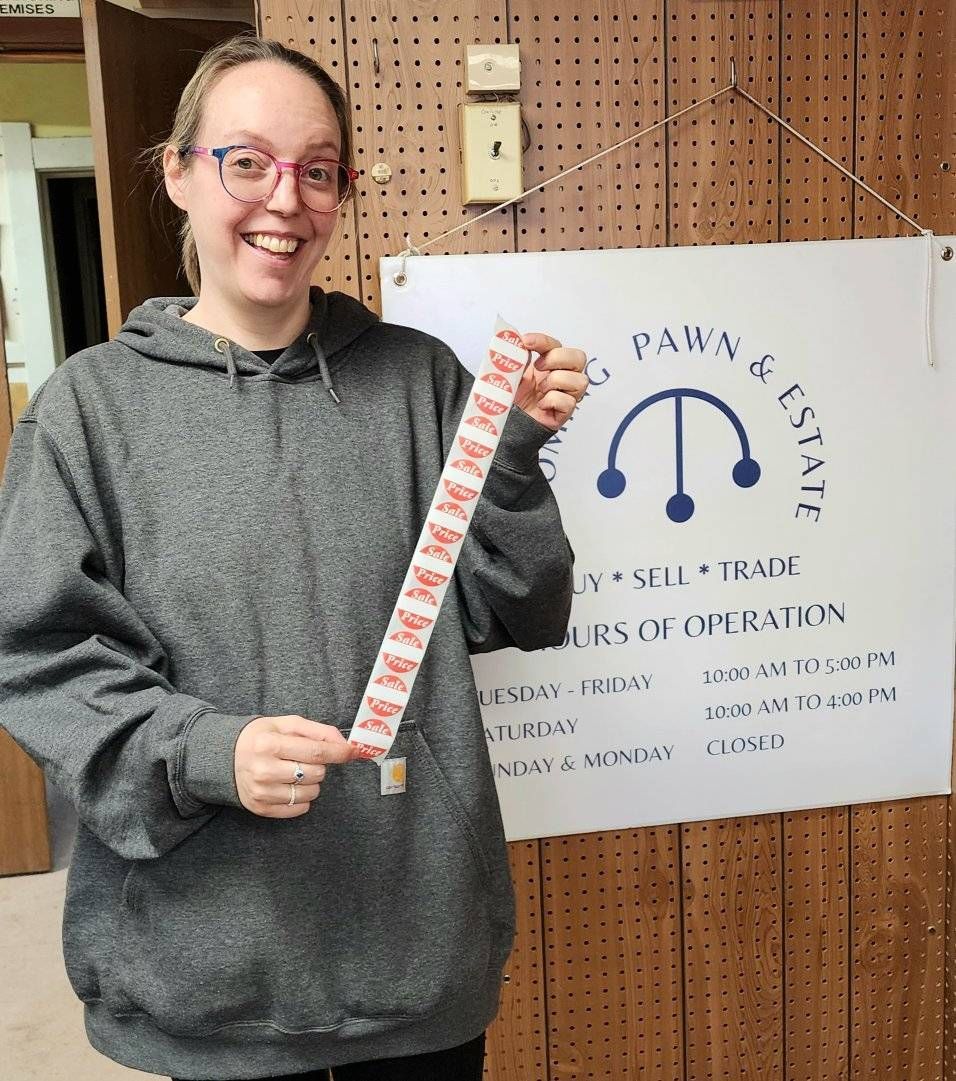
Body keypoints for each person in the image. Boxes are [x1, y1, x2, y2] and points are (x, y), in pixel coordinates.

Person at [0, 34, 586, 1081]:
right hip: (206, 968)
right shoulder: (87, 412)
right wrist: (201, 750)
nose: (286, 198)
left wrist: (507, 461)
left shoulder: (422, 383)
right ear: (177, 172)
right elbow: (37, 658)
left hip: (416, 951)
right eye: (246, 160)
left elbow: (521, 611)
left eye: (318, 170)